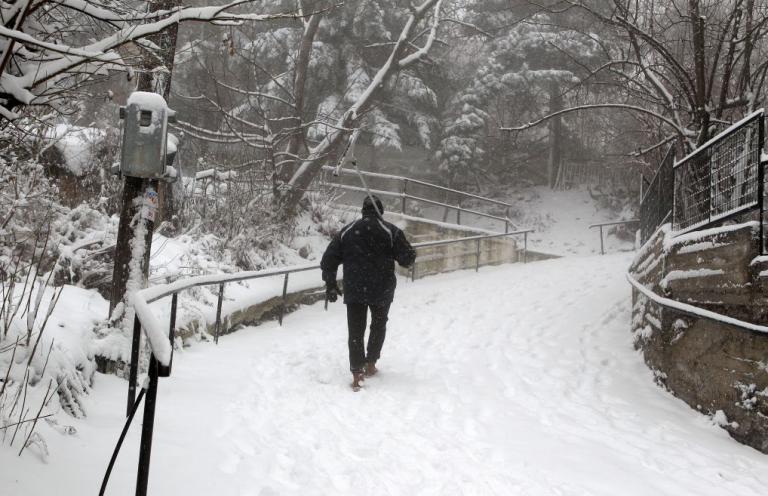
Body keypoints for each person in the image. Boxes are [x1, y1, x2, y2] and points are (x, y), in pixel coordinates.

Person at [321, 195, 416, 390]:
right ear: (380, 211)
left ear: (363, 211)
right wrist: (406, 251)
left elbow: (328, 260)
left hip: (355, 289)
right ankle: (371, 363)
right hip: (382, 289)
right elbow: (407, 259)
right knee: (378, 326)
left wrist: (331, 284)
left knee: (356, 331)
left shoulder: (347, 231)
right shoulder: (391, 231)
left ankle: (357, 374)